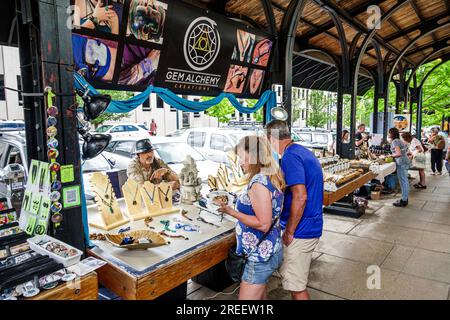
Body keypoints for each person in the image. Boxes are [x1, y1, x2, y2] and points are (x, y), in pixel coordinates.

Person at [218, 136, 285, 300]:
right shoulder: (269, 175)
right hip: (269, 249)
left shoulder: (258, 182)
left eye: (242, 156)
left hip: (259, 257)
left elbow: (263, 224)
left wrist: (230, 211)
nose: (240, 161)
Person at [264, 120, 323, 300]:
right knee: (294, 283)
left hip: (301, 230)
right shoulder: (302, 151)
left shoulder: (290, 156)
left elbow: (300, 196)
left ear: (272, 137)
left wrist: (289, 231)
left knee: (296, 286)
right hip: (310, 224)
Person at [389, 128, 411, 207]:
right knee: (404, 180)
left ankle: (404, 200)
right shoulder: (399, 140)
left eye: (389, 133)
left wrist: (390, 155)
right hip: (404, 161)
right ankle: (405, 198)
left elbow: (398, 153)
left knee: (403, 181)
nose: (388, 134)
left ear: (392, 134)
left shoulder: (395, 141)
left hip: (401, 162)